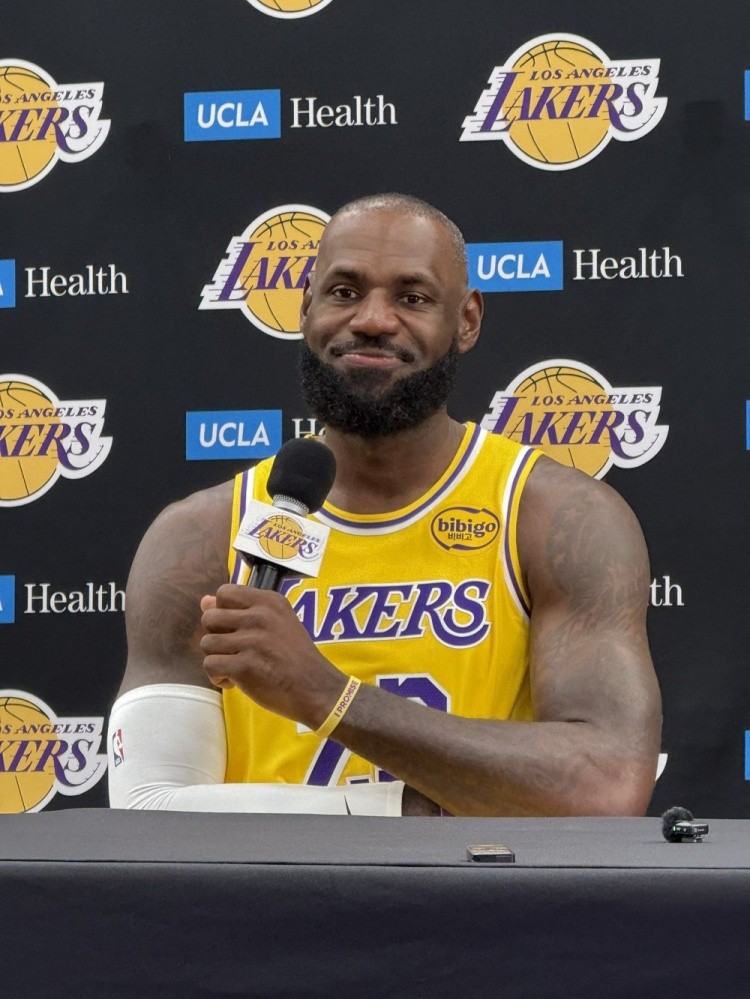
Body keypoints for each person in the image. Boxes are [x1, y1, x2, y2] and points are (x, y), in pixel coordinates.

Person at [108, 193, 662, 817]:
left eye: (413, 297)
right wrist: (404, 813)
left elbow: (606, 783)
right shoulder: (201, 536)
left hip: (476, 885)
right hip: (272, 887)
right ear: (305, 307)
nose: (372, 320)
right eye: (344, 292)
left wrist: (327, 696)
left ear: (467, 320)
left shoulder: (553, 517)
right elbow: (147, 808)